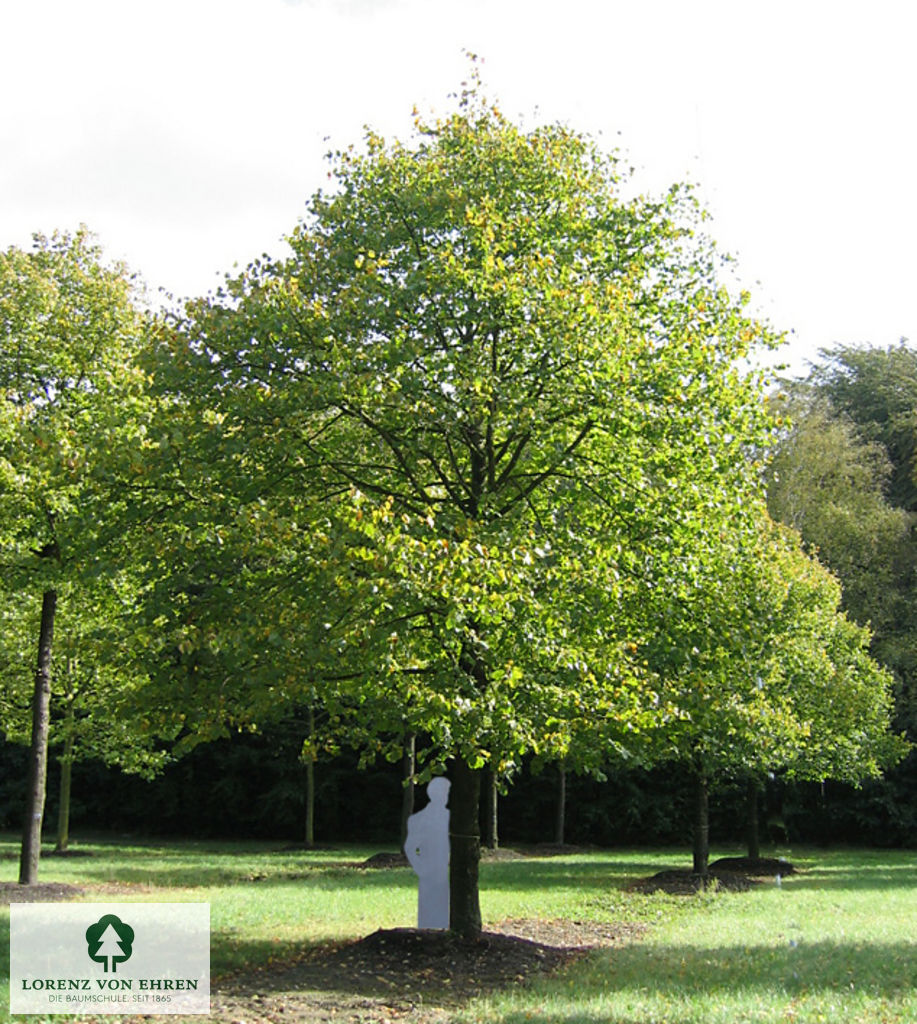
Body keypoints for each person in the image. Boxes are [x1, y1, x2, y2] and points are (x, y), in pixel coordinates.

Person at [403, 776, 450, 929]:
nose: (445, 796)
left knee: (446, 908)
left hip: (448, 871)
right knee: (428, 913)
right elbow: (410, 847)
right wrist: (421, 869)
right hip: (429, 871)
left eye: (446, 792)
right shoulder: (419, 819)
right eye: (442, 792)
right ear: (433, 794)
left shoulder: (451, 817)